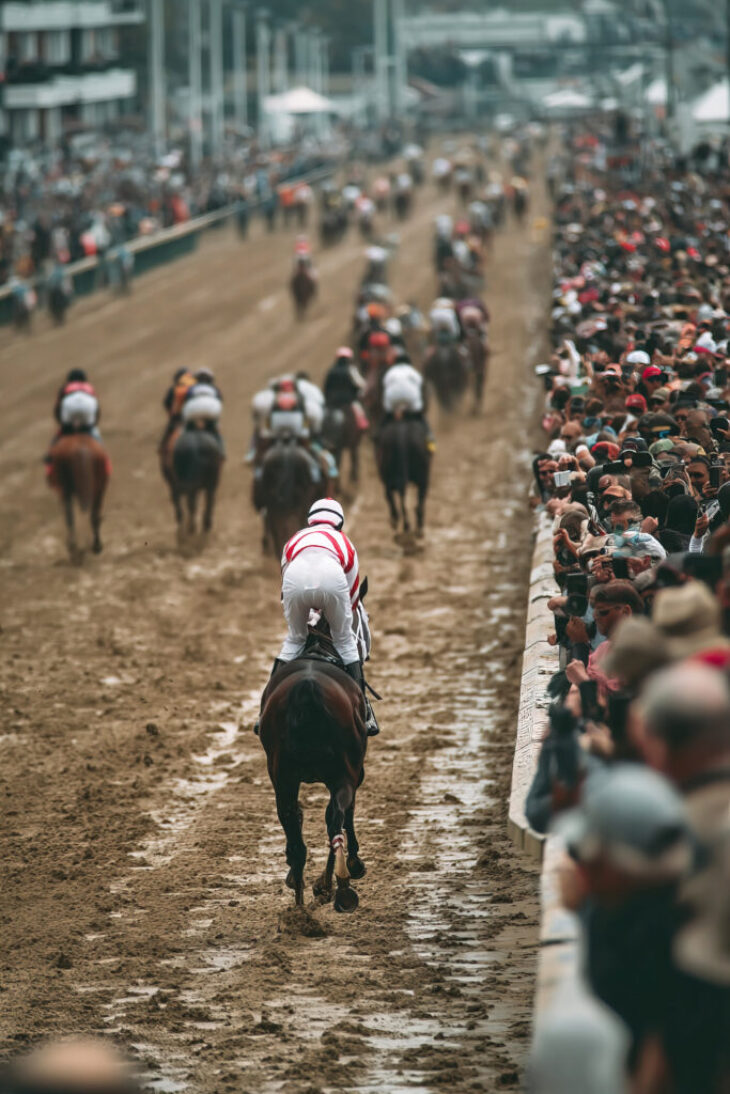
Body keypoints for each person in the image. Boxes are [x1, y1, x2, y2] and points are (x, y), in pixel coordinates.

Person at [255, 498, 378, 736]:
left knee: (294, 640)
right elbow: (353, 599)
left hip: (295, 579)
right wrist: (334, 615)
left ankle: (264, 713)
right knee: (344, 642)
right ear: (339, 522)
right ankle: (365, 713)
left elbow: (286, 587)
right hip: (334, 579)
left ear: (310, 520)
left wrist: (308, 618)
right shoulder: (345, 543)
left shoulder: (294, 539)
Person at [381, 355, 435, 452]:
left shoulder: (390, 372)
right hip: (412, 401)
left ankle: (377, 438)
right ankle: (431, 441)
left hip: (393, 402)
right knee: (422, 420)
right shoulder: (413, 371)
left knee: (385, 421)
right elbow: (421, 387)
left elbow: (384, 387)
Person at [181, 367, 224, 454]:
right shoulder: (215, 389)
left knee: (185, 429)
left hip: (193, 409)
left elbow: (186, 400)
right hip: (211, 408)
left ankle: (179, 449)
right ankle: (222, 452)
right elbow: (220, 400)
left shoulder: (192, 388)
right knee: (216, 430)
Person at [160, 367, 196, 454]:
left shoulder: (173, 389)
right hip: (193, 417)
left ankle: (162, 448)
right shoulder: (194, 388)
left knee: (168, 435)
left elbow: (166, 403)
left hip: (178, 418)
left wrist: (171, 414)